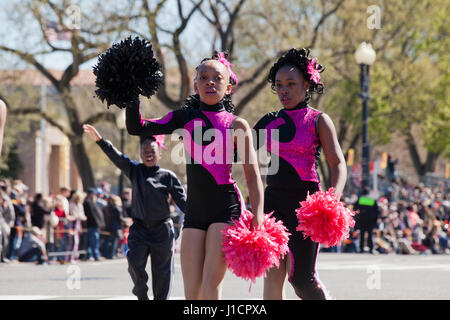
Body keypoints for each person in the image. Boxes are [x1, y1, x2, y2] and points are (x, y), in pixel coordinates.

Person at [124, 51, 264, 300]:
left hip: (225, 207)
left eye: (217, 78)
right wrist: (131, 93)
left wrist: (259, 216)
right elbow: (137, 127)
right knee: (192, 294)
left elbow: (252, 175)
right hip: (195, 210)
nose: (210, 82)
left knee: (211, 287)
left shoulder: (237, 125)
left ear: (229, 86)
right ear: (195, 84)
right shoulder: (183, 118)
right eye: (204, 77)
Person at [253, 48, 346, 300]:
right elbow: (241, 154)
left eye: (291, 84)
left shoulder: (318, 120)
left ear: (307, 84)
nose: (284, 90)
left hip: (305, 206)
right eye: (279, 85)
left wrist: (331, 199)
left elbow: (338, 163)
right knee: (272, 276)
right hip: (272, 203)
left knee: (301, 278)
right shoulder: (269, 121)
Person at [83, 124, 186, 300]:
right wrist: (99, 140)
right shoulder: (135, 170)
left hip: (162, 230)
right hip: (140, 229)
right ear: (140, 154)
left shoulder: (167, 176)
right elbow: (116, 156)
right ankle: (141, 295)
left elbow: (184, 203)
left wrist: (199, 219)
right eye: (145, 150)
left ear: (159, 154)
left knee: (162, 274)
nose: (148, 153)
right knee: (134, 262)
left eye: (152, 150)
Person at [354, 188, 380, 254]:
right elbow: (377, 211)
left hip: (362, 219)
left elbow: (355, 209)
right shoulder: (372, 200)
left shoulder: (360, 199)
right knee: (370, 235)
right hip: (370, 220)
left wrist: (357, 218)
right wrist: (375, 220)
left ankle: (361, 249)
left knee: (362, 234)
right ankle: (371, 249)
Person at [83, 188, 105, 261]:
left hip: (93, 224)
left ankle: (92, 255)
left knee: (93, 240)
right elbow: (93, 215)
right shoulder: (88, 202)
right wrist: (98, 223)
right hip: (92, 224)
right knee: (94, 240)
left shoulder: (91, 202)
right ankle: (95, 255)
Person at [102, 194, 125, 259]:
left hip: (107, 226)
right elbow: (120, 218)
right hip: (115, 227)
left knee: (107, 241)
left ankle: (105, 254)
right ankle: (112, 254)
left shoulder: (106, 207)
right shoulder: (117, 208)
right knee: (114, 241)